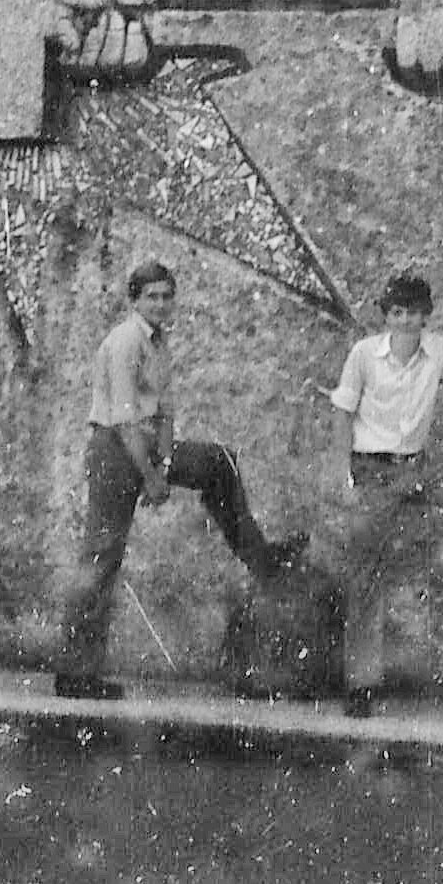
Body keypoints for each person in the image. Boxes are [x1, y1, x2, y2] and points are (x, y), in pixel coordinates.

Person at [54, 260, 297, 699]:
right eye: (152, 296)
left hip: (147, 446)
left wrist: (166, 466)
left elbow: (165, 413)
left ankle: (259, 555)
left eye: (167, 296)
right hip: (115, 449)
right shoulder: (125, 342)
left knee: (218, 462)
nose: (161, 304)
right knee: (101, 557)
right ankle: (75, 672)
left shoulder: (160, 342)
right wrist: (150, 477)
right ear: (134, 300)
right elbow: (125, 423)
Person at [330, 270, 443, 715]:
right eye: (397, 313)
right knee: (366, 575)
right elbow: (343, 414)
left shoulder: (439, 350)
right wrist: (344, 479)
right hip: (373, 473)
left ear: (426, 316)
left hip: (419, 469)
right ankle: (361, 686)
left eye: (413, 313)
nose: (405, 321)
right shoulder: (364, 355)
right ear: (386, 316)